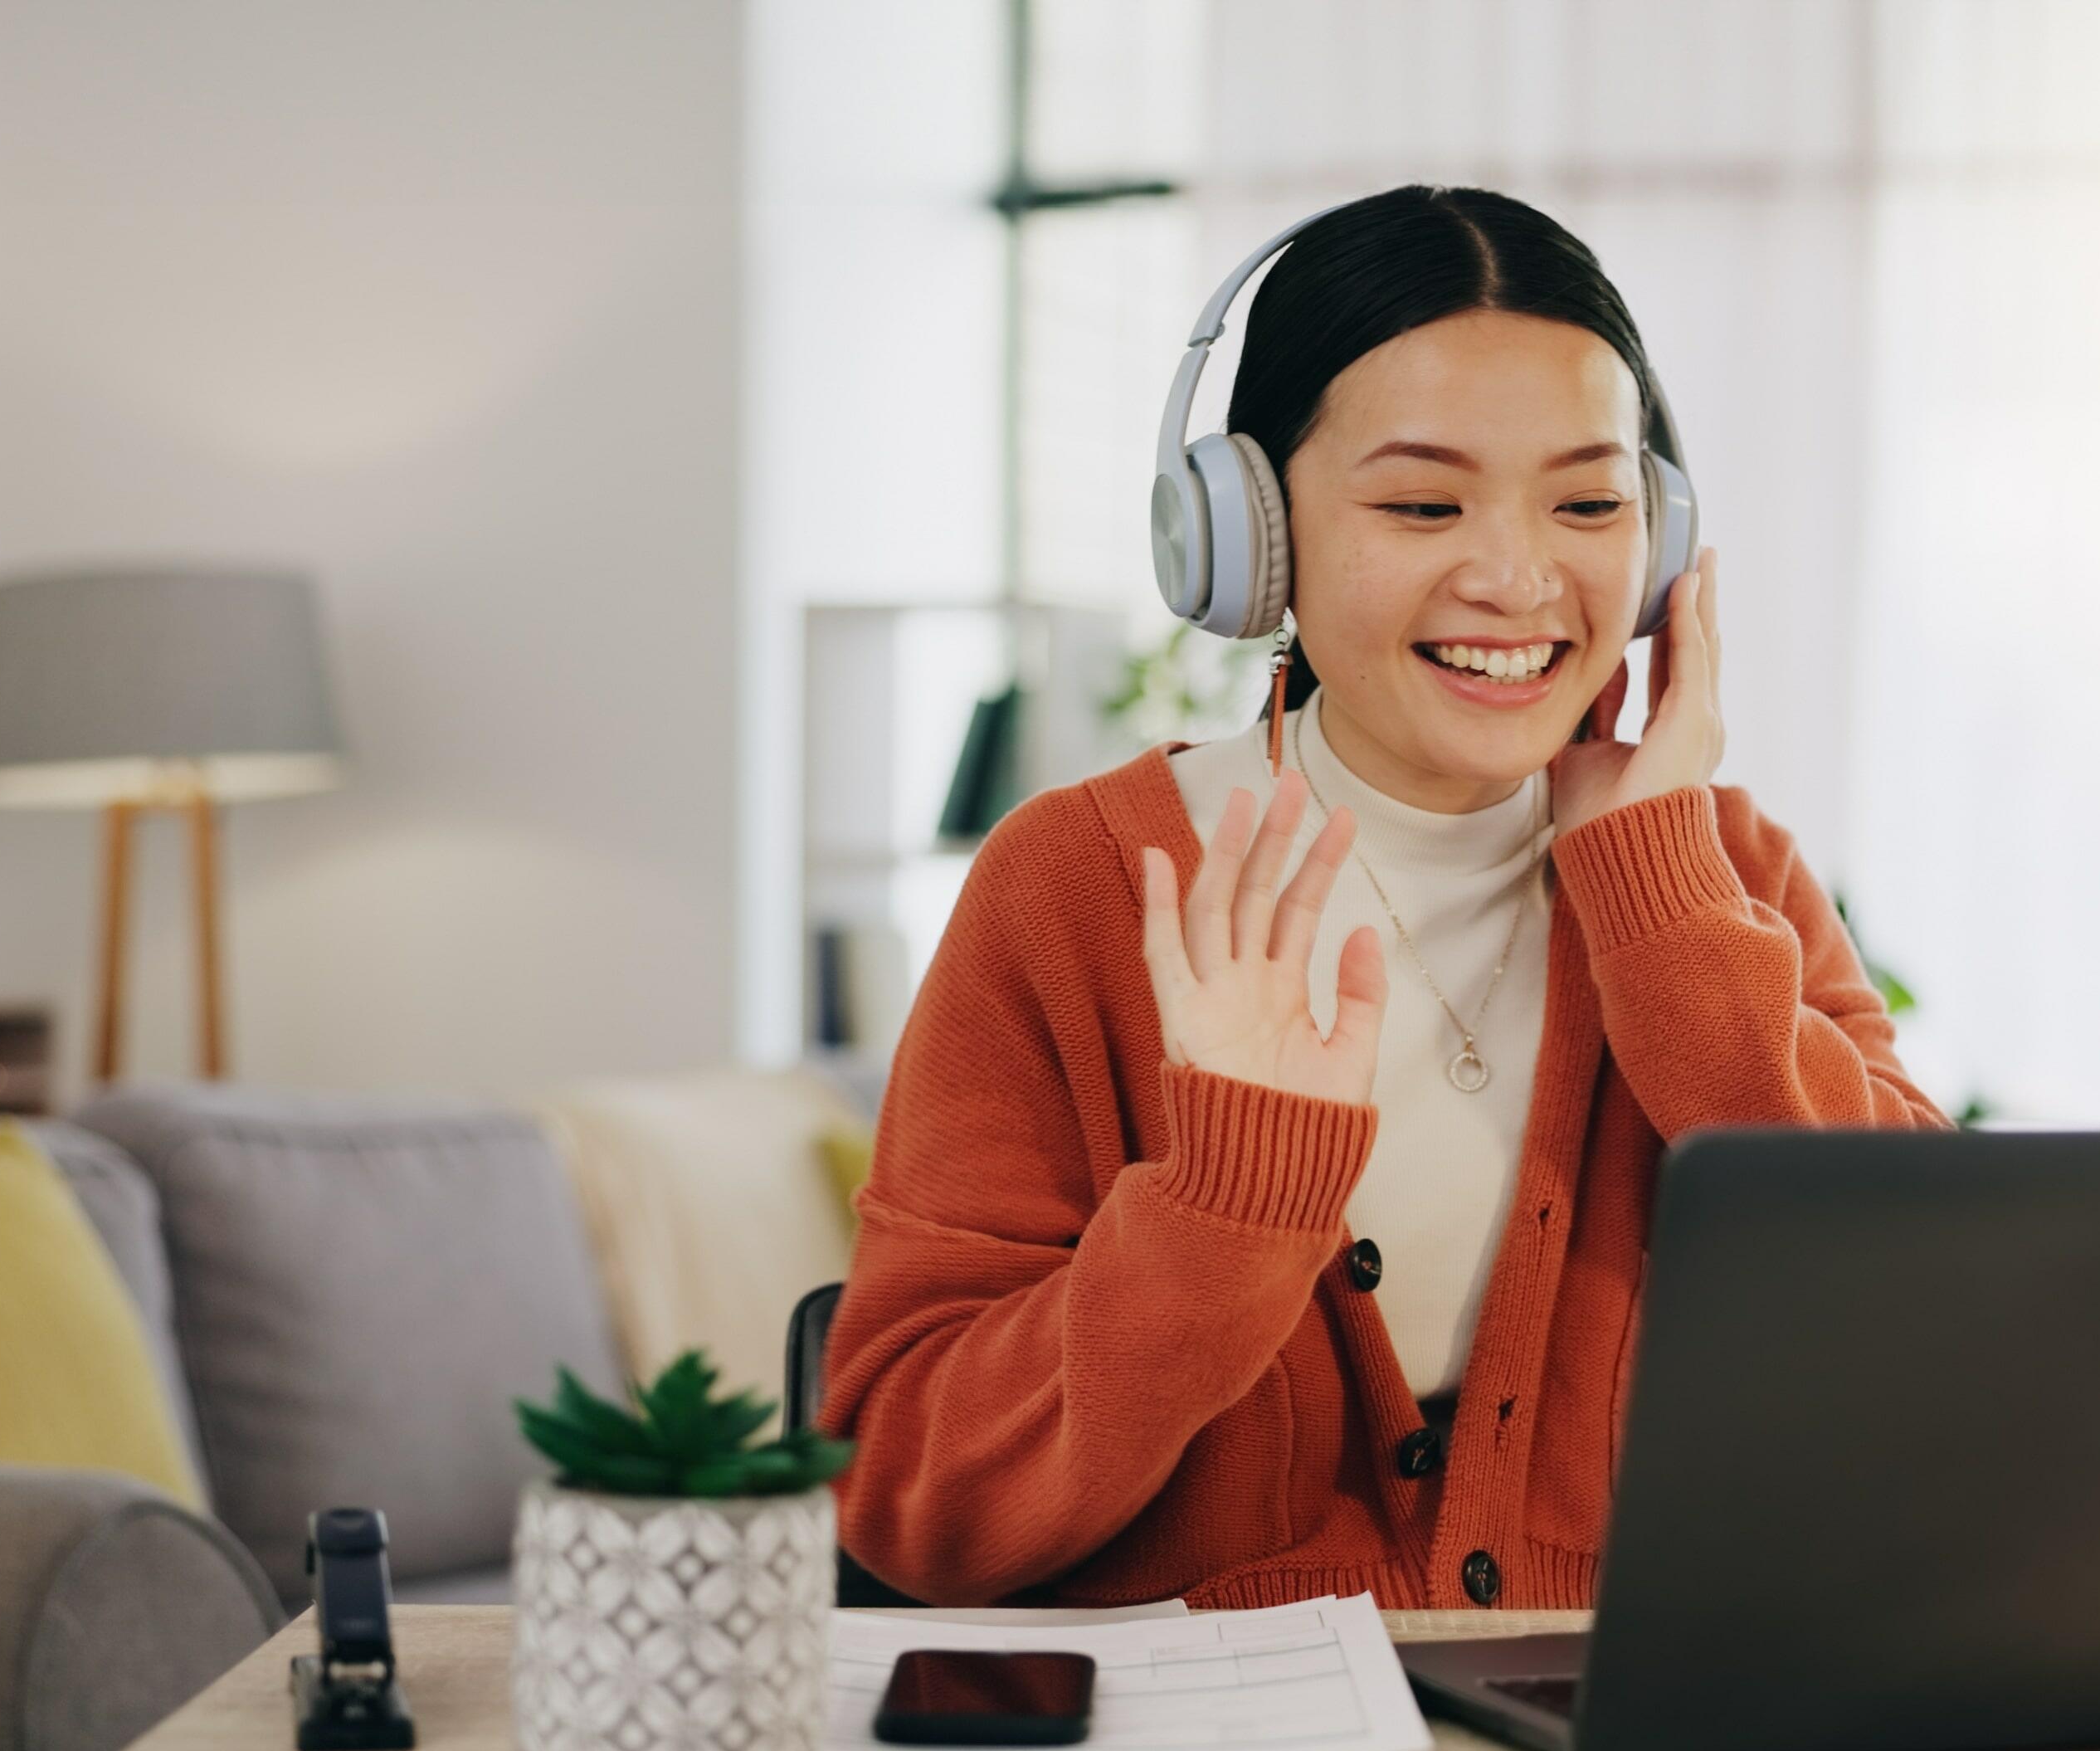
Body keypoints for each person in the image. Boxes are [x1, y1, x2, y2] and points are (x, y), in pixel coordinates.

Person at [816, 184, 1944, 1610]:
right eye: (1422, 502)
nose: (1519, 576)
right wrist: (1227, 1195)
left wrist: (1660, 910)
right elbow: (920, 1504)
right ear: (1249, 537)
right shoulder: (1079, 891)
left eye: (1589, 502)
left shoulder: (1719, 880)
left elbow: (1928, 1328)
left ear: (1656, 543)